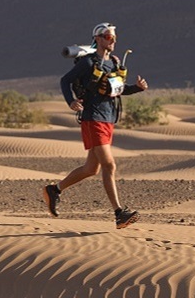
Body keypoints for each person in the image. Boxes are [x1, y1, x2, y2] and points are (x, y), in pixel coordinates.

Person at [44, 22, 149, 229]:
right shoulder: (88, 62)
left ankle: (54, 190)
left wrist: (136, 88)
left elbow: (116, 90)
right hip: (93, 118)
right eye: (109, 37)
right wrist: (71, 101)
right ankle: (119, 213)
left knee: (91, 169)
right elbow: (65, 81)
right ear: (99, 39)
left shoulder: (115, 63)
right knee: (109, 166)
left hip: (108, 118)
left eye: (114, 37)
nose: (113, 41)